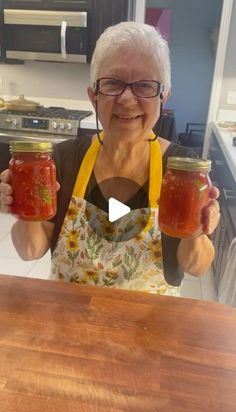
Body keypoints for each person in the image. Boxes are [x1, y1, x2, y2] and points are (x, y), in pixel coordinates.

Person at [0, 21, 220, 296]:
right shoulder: (62, 160)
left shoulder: (180, 170)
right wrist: (22, 207)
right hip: (67, 321)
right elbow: (30, 251)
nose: (127, 99)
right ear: (93, 95)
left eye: (145, 85)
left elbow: (196, 266)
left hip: (149, 327)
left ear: (163, 97)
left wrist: (198, 230)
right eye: (113, 83)